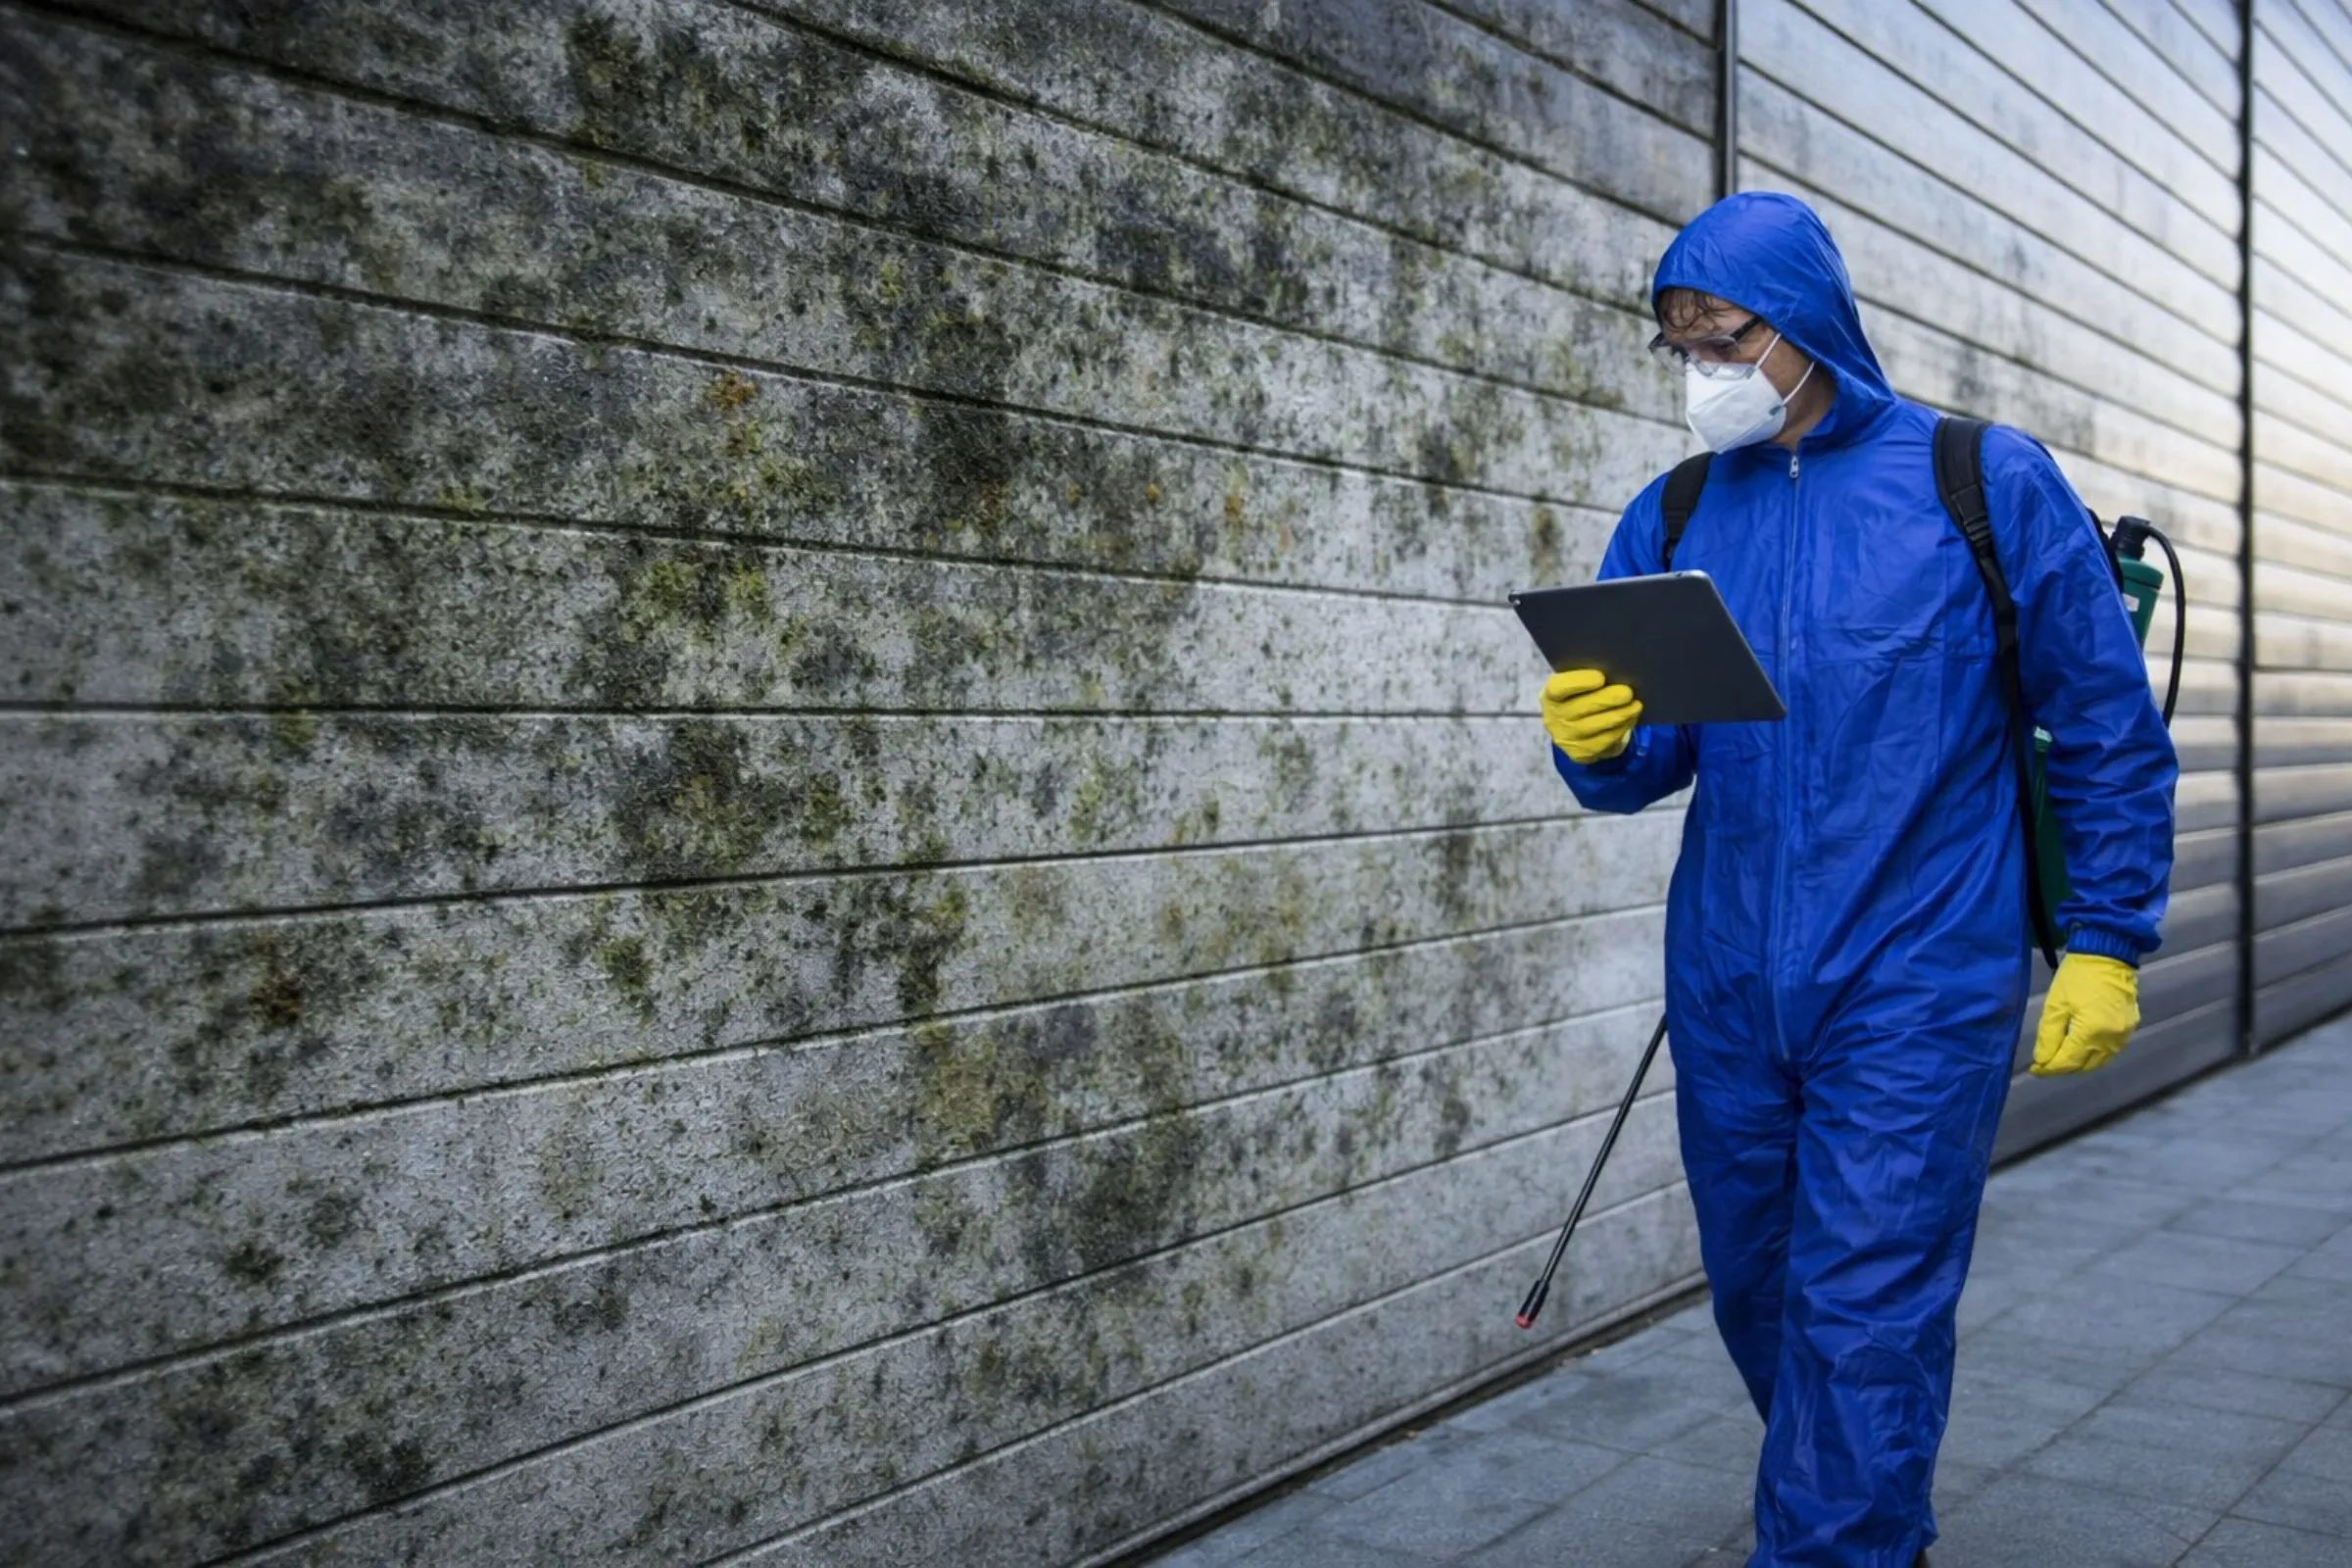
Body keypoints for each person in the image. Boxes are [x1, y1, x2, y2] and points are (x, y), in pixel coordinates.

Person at [1541, 192, 2177, 1567]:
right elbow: (1643, 756)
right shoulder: (1678, 508)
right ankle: (1862, 1506)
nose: (1706, 365)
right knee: (1763, 1288)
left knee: (1865, 1300)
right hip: (1724, 979)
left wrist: (2108, 939)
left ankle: (1837, 1542)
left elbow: (2107, 728)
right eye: (1682, 343)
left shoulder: (1981, 483)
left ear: (1810, 325)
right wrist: (1593, 741)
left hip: (1916, 975)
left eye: (1728, 333)